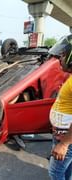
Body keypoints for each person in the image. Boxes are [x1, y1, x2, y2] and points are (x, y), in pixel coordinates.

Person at [47, 34, 72, 179]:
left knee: (55, 173)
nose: (60, 59)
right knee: (67, 172)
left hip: (66, 140)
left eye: (62, 55)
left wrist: (64, 144)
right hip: (64, 137)